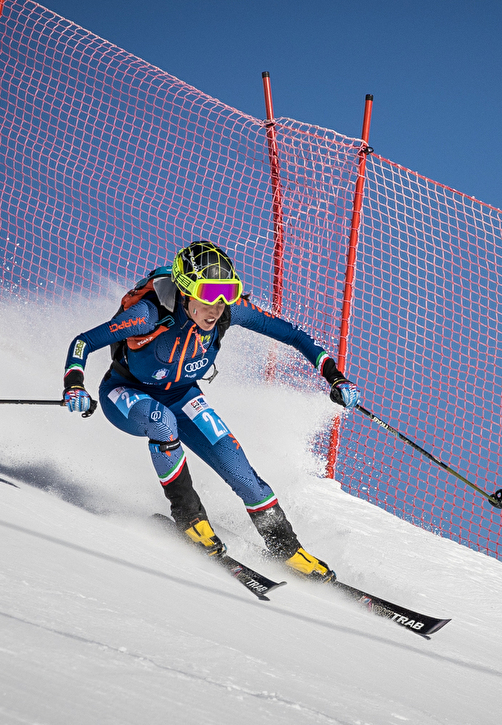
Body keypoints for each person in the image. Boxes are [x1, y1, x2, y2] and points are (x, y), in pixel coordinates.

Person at [61, 240, 361, 581]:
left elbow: (292, 335)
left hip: (183, 394)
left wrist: (334, 377)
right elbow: (83, 341)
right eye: (207, 300)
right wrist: (74, 384)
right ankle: (189, 519)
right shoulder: (148, 315)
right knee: (163, 423)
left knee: (240, 469)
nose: (215, 310)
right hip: (125, 392)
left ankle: (286, 548)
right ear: (187, 293)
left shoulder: (231, 311)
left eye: (223, 299)